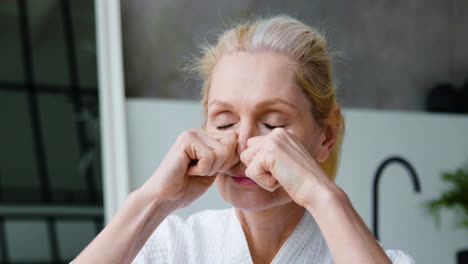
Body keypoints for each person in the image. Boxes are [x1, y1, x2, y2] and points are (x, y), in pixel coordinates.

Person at [73, 15, 415, 264]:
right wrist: (155, 199)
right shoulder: (173, 247)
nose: (246, 145)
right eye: (224, 123)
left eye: (271, 123)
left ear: (326, 135)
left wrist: (322, 196)